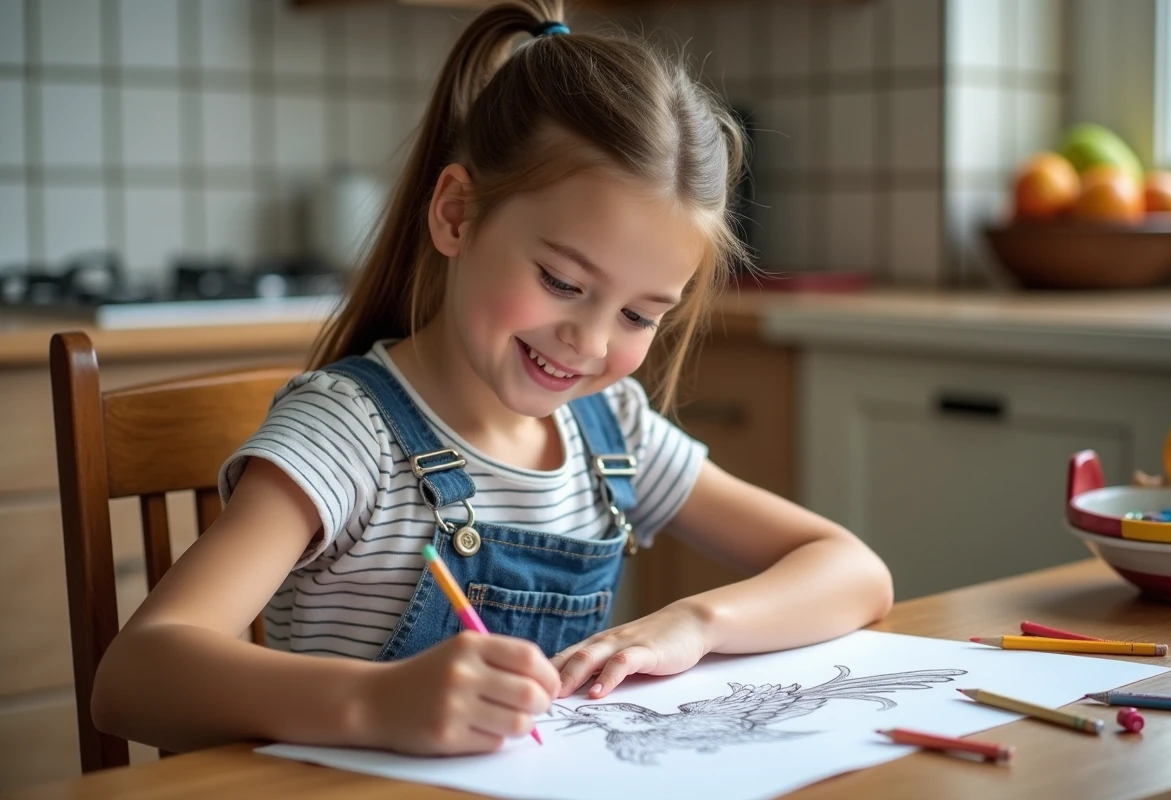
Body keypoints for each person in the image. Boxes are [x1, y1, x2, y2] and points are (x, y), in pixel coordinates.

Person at [91, 0, 893, 758]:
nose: (586, 340)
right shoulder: (347, 437)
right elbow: (133, 679)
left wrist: (695, 623)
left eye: (640, 316)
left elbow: (854, 571)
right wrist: (375, 703)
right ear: (455, 215)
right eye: (562, 281)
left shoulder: (609, 431)